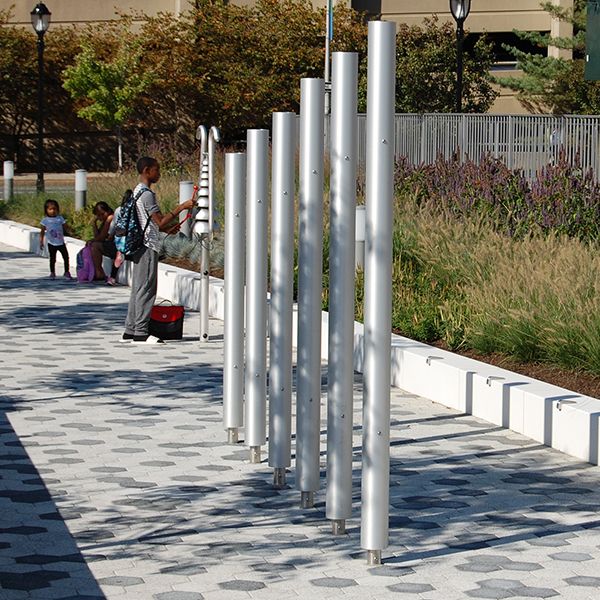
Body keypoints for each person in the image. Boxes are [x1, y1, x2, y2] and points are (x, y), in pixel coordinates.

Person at [121, 156, 195, 344]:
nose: (159, 173)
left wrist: (165, 229)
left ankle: (130, 330)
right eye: (157, 170)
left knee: (138, 288)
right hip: (147, 246)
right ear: (147, 170)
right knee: (147, 288)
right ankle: (141, 332)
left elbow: (150, 222)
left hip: (139, 244)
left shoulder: (137, 191)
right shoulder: (146, 194)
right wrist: (182, 207)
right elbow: (159, 220)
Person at [89, 201, 121, 285]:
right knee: (93, 244)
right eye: (98, 215)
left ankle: (99, 272)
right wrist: (94, 224)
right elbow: (97, 236)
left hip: (115, 245)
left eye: (102, 214)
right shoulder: (105, 220)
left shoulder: (110, 218)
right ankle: (97, 271)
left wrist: (93, 240)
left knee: (95, 246)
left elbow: (101, 237)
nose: (100, 217)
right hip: (110, 244)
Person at [40, 199, 72, 280]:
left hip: (61, 242)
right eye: (50, 209)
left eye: (54, 209)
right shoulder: (45, 220)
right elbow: (42, 231)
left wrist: (71, 232)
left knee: (66, 257)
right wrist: (41, 241)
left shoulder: (60, 218)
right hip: (51, 243)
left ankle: (66, 271)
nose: (53, 211)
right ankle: (52, 272)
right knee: (52, 258)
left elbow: (66, 227)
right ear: (46, 210)